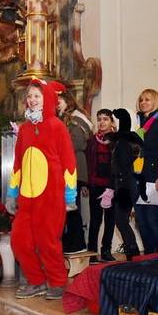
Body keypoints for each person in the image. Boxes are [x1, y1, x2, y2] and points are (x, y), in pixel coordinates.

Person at [5, 79, 77, 300]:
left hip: (51, 196)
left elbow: (69, 162)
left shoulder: (57, 126)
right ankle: (36, 281)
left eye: (37, 96)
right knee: (19, 241)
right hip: (27, 198)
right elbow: (18, 164)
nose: (32, 100)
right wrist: (12, 193)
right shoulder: (25, 129)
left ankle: (58, 282)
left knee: (48, 243)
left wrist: (70, 195)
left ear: (47, 99)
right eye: (29, 96)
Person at [133, 89, 158, 254]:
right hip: (138, 175)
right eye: (141, 100)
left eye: (147, 100)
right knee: (141, 221)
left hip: (154, 175)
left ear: (155, 101)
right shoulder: (138, 122)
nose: (143, 103)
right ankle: (149, 255)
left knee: (152, 219)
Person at [57, 90, 93, 254]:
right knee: (66, 207)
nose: (57, 104)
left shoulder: (75, 120)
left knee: (72, 207)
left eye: (59, 101)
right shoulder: (65, 119)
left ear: (68, 101)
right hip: (66, 169)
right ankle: (70, 240)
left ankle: (77, 243)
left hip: (73, 169)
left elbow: (76, 143)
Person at [109, 109, 142, 260]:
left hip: (125, 185)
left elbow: (124, 166)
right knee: (121, 221)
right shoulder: (127, 141)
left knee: (121, 220)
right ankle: (132, 252)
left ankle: (133, 254)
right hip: (124, 184)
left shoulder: (124, 142)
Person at [86, 109, 116, 263]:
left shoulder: (117, 141)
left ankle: (106, 251)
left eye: (105, 119)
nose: (102, 122)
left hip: (112, 186)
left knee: (110, 220)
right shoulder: (92, 141)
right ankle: (92, 253)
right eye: (99, 119)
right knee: (95, 220)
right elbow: (88, 163)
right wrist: (87, 183)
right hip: (96, 186)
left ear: (112, 122)